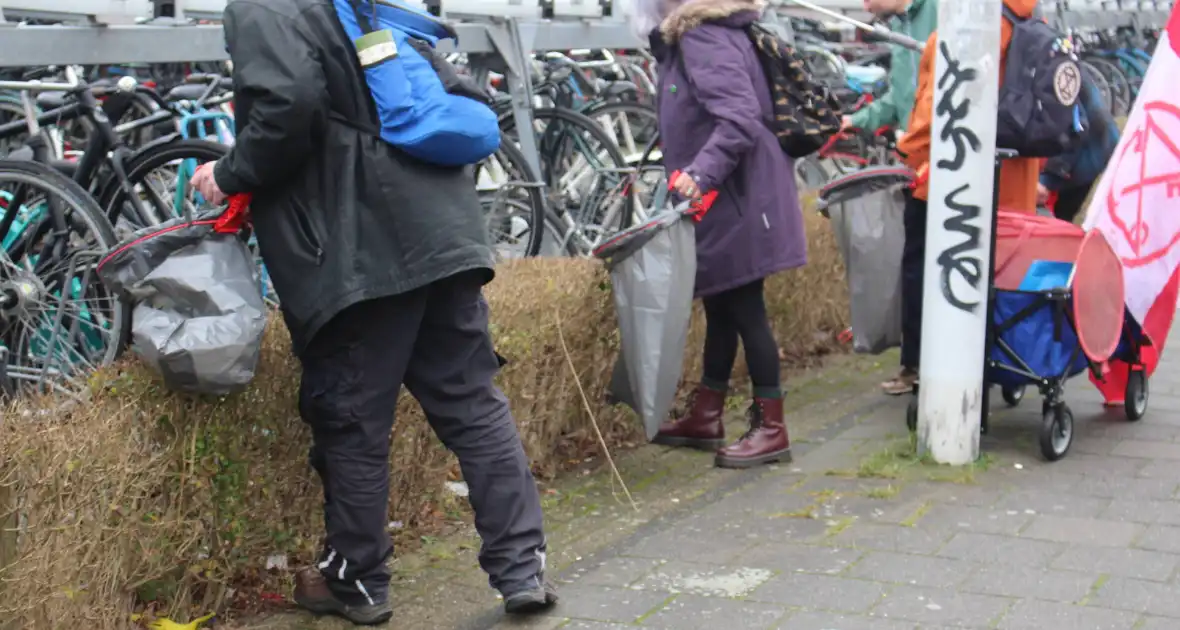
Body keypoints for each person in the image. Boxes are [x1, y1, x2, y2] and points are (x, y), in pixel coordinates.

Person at [188, 0, 556, 624]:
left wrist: (231, 171)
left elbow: (288, 106)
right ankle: (522, 570)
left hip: (358, 243)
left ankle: (356, 580)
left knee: (353, 418)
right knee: (471, 402)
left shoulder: (262, 5)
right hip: (439, 227)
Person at [635, 0, 807, 469]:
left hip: (734, 197)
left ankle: (771, 427)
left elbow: (738, 117)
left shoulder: (702, 35)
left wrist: (699, 174)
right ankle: (707, 416)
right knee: (722, 305)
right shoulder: (704, 33)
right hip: (735, 196)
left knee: (746, 309)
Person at [895, 0, 1042, 394]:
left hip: (947, 181)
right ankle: (1008, 361)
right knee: (1000, 271)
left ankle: (920, 365)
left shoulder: (957, 29)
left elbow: (935, 107)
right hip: (1014, 178)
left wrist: (906, 149)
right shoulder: (1031, 22)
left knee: (928, 271)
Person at [838, 0, 937, 396]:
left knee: (926, 264)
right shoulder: (901, 29)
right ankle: (914, 363)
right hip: (918, 165)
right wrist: (855, 121)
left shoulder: (945, 13)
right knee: (914, 264)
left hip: (942, 161)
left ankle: (932, 364)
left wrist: (911, 144)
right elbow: (899, 103)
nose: (865, 5)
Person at [841, 0, 937, 139]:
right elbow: (901, 95)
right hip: (919, 147)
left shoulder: (943, 9)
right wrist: (855, 121)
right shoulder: (900, 25)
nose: (866, 8)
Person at [1037, 77, 1121, 224]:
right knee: (1060, 221)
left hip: (1088, 149)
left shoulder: (1048, 69)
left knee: (1057, 223)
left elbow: (1073, 129)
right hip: (1097, 143)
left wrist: (1047, 180)